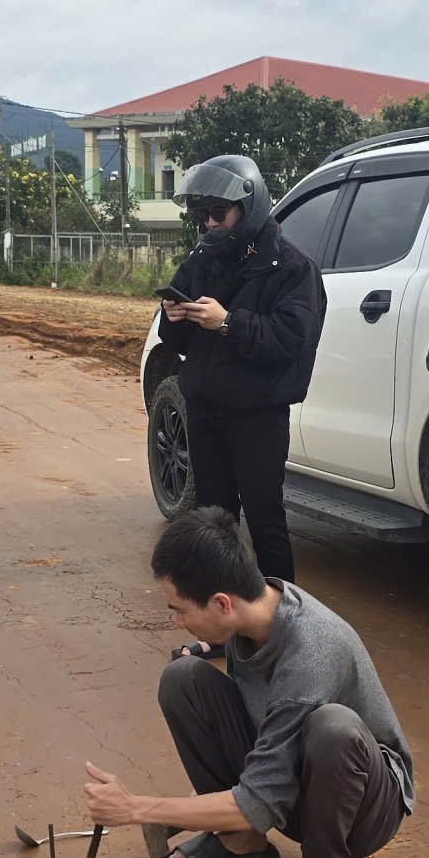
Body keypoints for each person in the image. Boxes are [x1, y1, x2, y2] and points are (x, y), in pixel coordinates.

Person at [82, 508, 414, 858]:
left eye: (180, 610)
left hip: (360, 807)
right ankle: (242, 843)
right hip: (292, 776)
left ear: (222, 603)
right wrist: (201, 644)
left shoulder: (310, 654)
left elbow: (259, 799)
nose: (176, 621)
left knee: (332, 727)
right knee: (183, 680)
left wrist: (136, 808)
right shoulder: (259, 603)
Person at [155, 154, 325, 584]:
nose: (210, 223)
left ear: (248, 209)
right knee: (214, 524)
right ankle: (221, 623)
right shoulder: (204, 258)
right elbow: (175, 340)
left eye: (218, 213)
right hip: (206, 410)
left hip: (257, 416)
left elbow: (291, 338)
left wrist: (228, 322)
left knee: (265, 522)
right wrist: (171, 316)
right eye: (203, 215)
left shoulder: (291, 267)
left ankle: (282, 623)